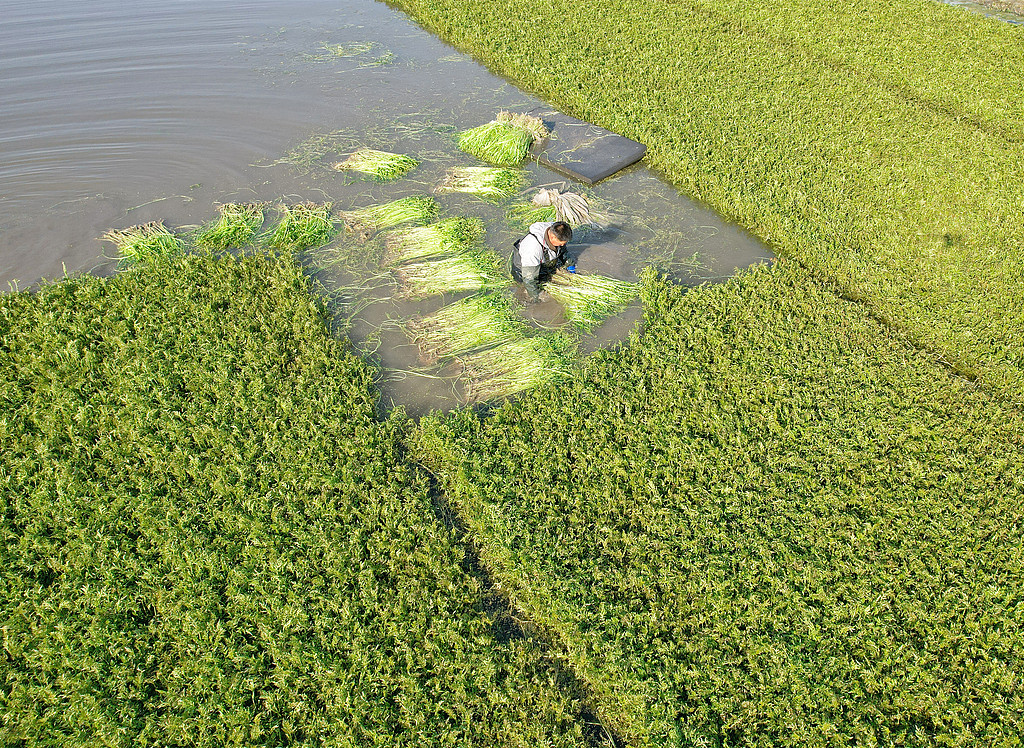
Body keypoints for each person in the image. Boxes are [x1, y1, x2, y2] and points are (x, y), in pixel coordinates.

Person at [511, 221, 573, 303]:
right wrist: (538, 297)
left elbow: (563, 250)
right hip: (523, 269)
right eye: (561, 244)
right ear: (552, 237)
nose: (562, 245)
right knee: (529, 284)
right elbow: (529, 279)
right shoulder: (533, 249)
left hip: (540, 259)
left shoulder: (555, 229)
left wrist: (569, 264)